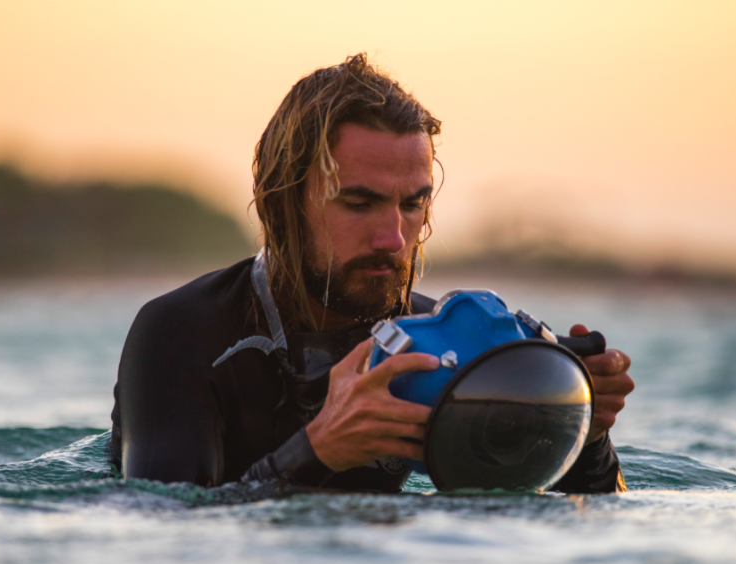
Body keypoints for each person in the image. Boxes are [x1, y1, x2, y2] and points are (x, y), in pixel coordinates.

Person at [109, 54, 634, 493]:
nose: (394, 238)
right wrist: (319, 449)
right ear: (281, 204)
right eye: (359, 203)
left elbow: (578, 523)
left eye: (412, 204)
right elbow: (162, 530)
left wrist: (580, 431)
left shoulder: (442, 344)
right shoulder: (182, 333)